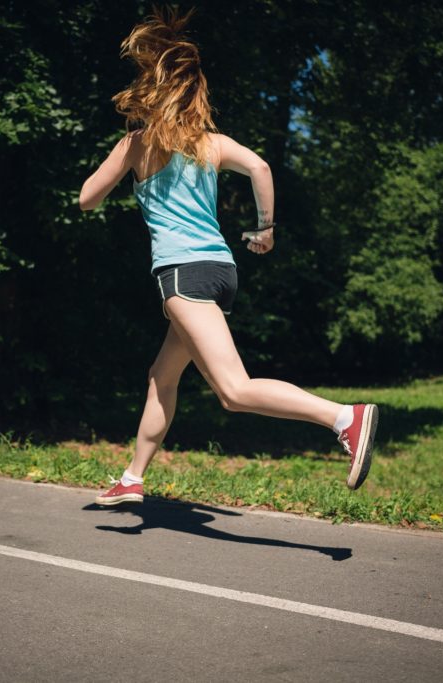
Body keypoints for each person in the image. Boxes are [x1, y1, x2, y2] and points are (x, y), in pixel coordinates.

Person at [78, 8, 377, 505]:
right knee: (162, 376)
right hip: (221, 272)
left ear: (152, 93)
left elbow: (87, 199)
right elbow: (261, 168)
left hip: (182, 275)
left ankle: (345, 417)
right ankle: (132, 477)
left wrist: (124, 159)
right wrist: (265, 229)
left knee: (233, 391)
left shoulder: (137, 144)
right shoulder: (211, 144)